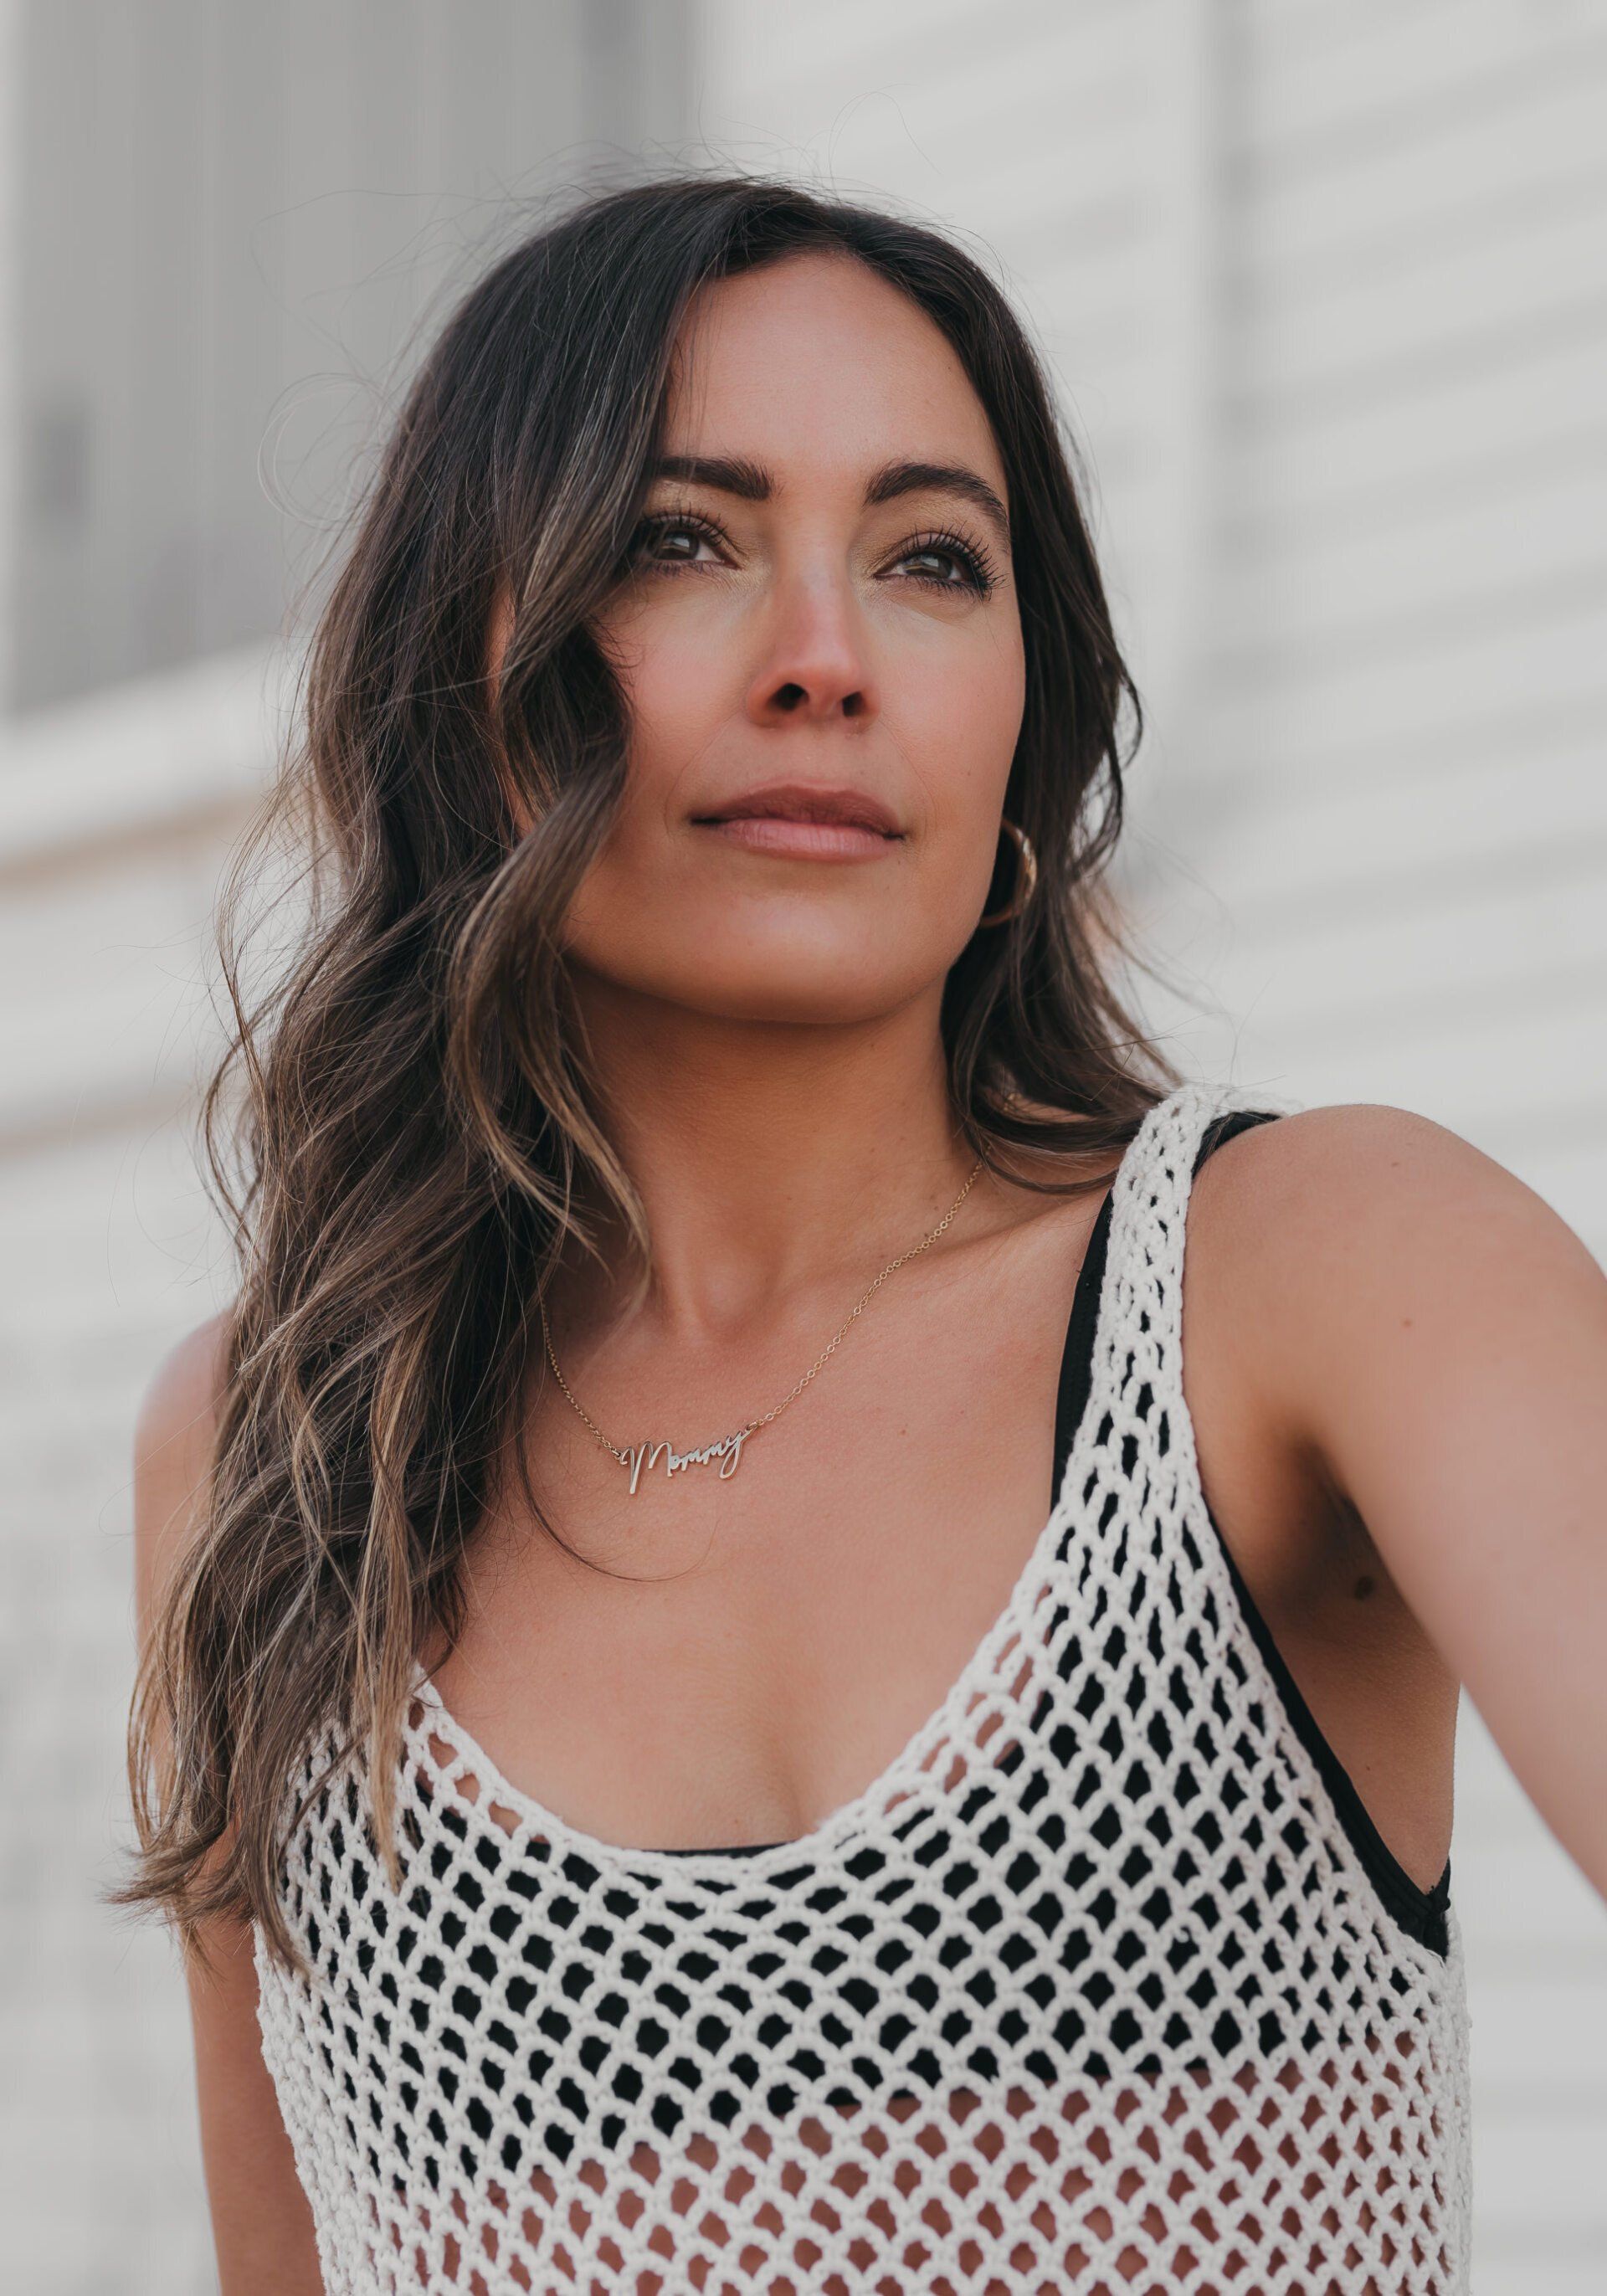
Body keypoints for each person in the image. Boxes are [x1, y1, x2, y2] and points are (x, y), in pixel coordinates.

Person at [113, 174, 1607, 2296]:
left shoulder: (1308, 1275)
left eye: (928, 561)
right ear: (472, 662)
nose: (824, 661)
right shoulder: (271, 1452)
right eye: (682, 539)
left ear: (1028, 707)